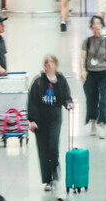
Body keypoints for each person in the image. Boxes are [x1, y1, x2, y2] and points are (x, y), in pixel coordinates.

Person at [27, 55, 74, 190]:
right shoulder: (38, 82)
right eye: (47, 62)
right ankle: (48, 180)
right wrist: (32, 120)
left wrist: (68, 103)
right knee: (43, 150)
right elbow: (32, 102)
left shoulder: (60, 80)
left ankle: (54, 171)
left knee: (53, 146)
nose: (49, 65)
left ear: (56, 64)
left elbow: (66, 96)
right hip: (40, 121)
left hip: (55, 119)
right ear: (44, 65)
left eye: (52, 62)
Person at [81, 15, 106, 139]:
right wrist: (82, 71)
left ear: (102, 25)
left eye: (99, 23)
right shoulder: (87, 41)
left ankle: (102, 124)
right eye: (94, 23)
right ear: (91, 26)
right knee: (91, 100)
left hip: (103, 73)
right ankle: (93, 122)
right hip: (91, 74)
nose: (97, 26)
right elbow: (83, 57)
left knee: (102, 100)